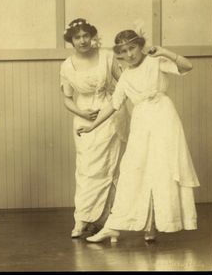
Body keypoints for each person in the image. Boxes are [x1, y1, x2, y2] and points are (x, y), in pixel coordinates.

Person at [77, 29, 200, 243]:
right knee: (133, 169)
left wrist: (165, 52)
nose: (130, 54)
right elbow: (113, 105)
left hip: (164, 117)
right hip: (142, 121)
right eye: (124, 51)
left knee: (161, 168)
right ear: (120, 54)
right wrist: (92, 127)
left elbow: (187, 66)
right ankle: (115, 226)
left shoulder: (155, 61)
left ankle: (153, 226)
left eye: (132, 48)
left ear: (140, 46)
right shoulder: (125, 76)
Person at [60, 18, 129, 238]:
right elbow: (68, 99)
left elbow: (125, 83)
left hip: (110, 115)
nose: (82, 41)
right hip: (84, 119)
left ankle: (106, 220)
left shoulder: (107, 57)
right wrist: (81, 113)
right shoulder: (67, 66)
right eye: (77, 37)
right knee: (86, 169)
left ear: (92, 36)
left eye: (85, 36)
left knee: (109, 168)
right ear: (71, 40)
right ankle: (82, 219)